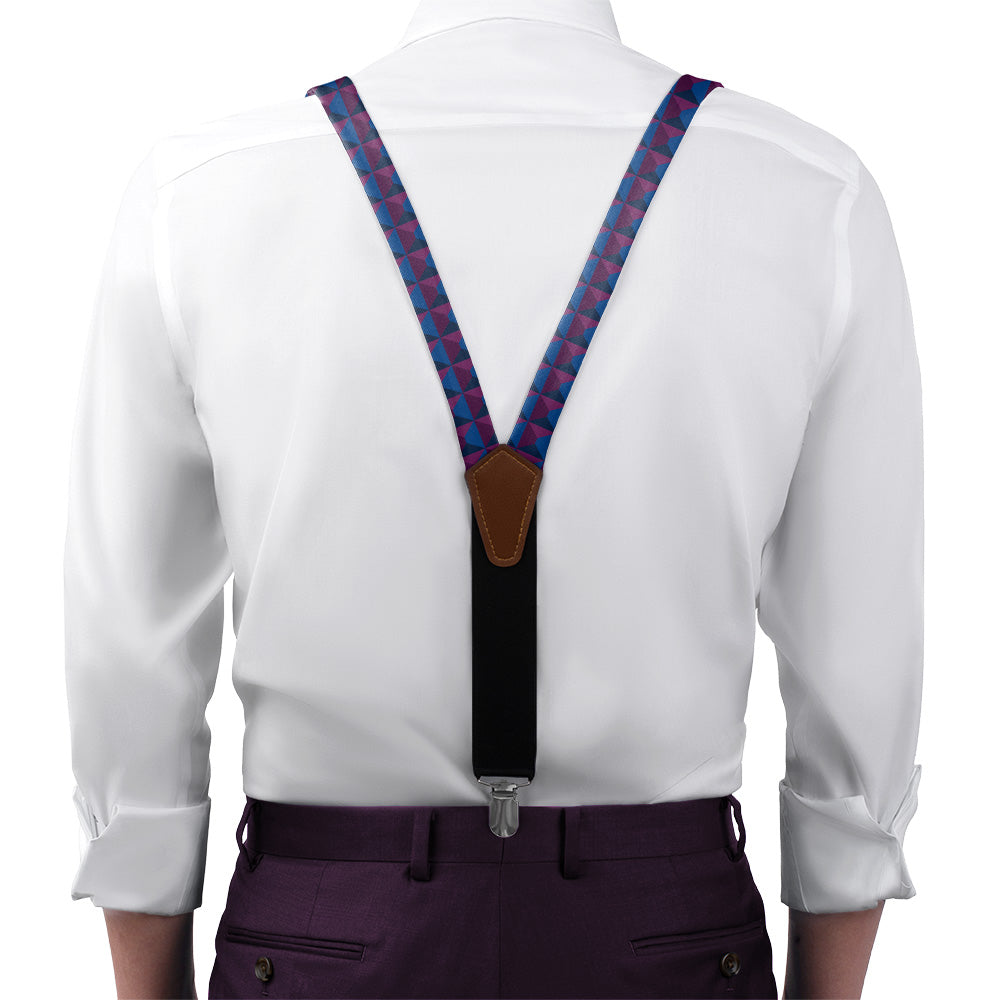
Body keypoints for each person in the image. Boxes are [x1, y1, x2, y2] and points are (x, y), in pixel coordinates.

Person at [63, 1, 924, 998]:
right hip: (665, 928)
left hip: (322, 927)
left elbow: (127, 652)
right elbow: (859, 662)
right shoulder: (806, 191)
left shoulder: (200, 192)